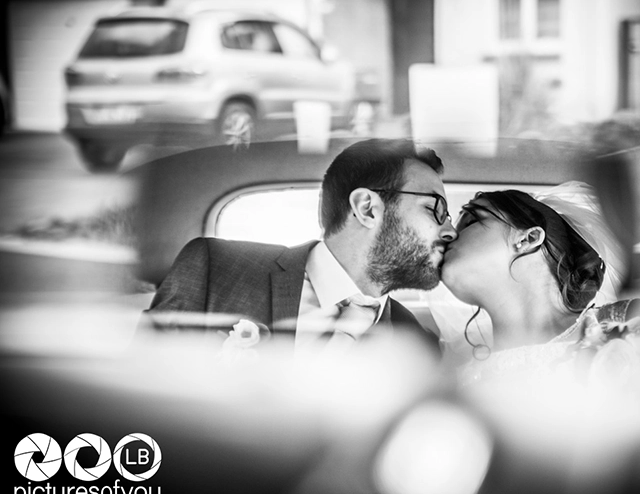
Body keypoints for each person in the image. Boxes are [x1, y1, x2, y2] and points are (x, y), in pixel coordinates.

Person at [141, 138, 458, 358]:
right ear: (368, 208)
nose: (450, 231)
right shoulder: (216, 270)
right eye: (436, 209)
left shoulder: (416, 344)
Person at [430, 181, 640, 386]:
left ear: (528, 238)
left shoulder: (628, 322)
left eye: (471, 220)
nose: (450, 234)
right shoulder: (458, 375)